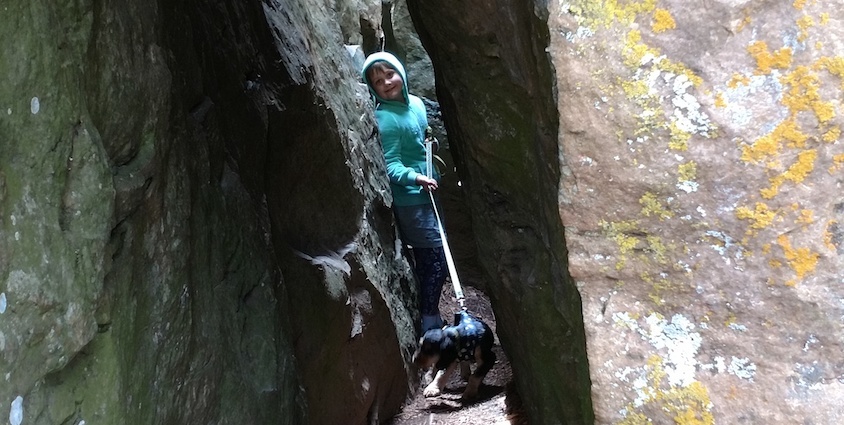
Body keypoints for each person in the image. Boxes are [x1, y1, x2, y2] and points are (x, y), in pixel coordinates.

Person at [361, 51, 446, 332]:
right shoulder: (386, 119)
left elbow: (422, 139)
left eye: (389, 74)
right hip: (411, 200)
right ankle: (431, 326)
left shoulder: (417, 105)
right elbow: (390, 165)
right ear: (373, 88)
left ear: (401, 73)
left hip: (428, 192)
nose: (386, 82)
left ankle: (430, 318)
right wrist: (416, 177)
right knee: (433, 260)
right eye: (378, 80)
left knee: (435, 256)